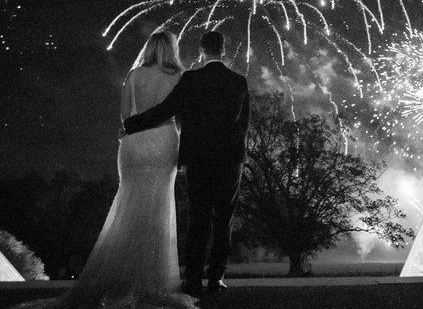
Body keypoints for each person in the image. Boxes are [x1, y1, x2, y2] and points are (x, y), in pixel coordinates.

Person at [12, 31, 197, 309]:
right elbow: (182, 119)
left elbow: (125, 116)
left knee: (127, 205)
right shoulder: (180, 78)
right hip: (164, 142)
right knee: (158, 210)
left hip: (133, 145)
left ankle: (118, 276)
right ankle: (153, 279)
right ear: (172, 50)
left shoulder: (134, 76)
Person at [124, 31, 250, 297]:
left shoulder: (191, 79)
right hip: (230, 160)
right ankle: (216, 279)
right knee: (223, 220)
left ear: (202, 51)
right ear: (223, 51)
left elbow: (166, 109)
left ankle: (193, 280)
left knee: (198, 220)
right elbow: (244, 125)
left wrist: (133, 124)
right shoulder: (239, 82)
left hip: (199, 159)